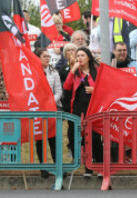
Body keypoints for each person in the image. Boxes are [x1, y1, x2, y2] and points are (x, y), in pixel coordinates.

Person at [63, 47, 101, 177]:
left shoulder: (96, 71)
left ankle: (100, 167)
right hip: (78, 110)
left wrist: (94, 89)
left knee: (94, 139)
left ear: (88, 57)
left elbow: (104, 88)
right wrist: (72, 71)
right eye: (78, 55)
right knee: (79, 138)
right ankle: (87, 168)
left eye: (82, 55)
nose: (79, 58)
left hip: (93, 110)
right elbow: (66, 87)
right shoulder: (75, 73)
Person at [35, 48, 63, 178]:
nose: (48, 58)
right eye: (45, 56)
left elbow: (59, 91)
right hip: (37, 109)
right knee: (40, 139)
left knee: (53, 139)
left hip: (52, 109)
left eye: (48, 56)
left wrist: (51, 103)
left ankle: (58, 167)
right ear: (38, 58)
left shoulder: (53, 72)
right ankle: (43, 168)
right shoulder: (31, 72)